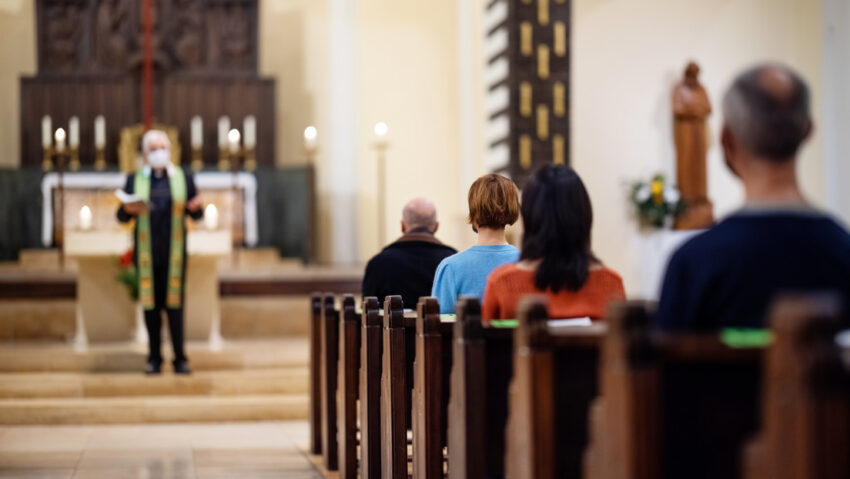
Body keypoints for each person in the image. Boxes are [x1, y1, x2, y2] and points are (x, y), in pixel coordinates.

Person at [655, 63, 850, 331]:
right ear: (808, 131)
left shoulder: (693, 265)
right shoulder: (843, 251)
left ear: (726, 140)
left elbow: (666, 370)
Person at [482, 165, 625, 321]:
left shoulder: (502, 284)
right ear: (584, 215)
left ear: (530, 217)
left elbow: (485, 343)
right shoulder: (611, 285)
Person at [117, 130, 204, 374]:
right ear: (145, 155)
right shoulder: (134, 180)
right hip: (147, 254)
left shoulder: (183, 178)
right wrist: (128, 209)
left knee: (175, 307)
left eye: (161, 148)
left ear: (168, 150)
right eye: (153, 149)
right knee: (151, 308)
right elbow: (121, 216)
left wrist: (197, 208)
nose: (158, 153)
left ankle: (180, 358)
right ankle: (154, 357)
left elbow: (196, 213)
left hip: (174, 254)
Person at [432, 173, 521, 314]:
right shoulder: (528, 264)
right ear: (512, 208)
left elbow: (440, 327)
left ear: (473, 209)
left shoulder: (450, 268)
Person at [362, 198, 456, 309]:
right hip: (441, 327)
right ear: (436, 227)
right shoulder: (452, 261)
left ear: (402, 226)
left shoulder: (378, 263)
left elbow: (366, 312)